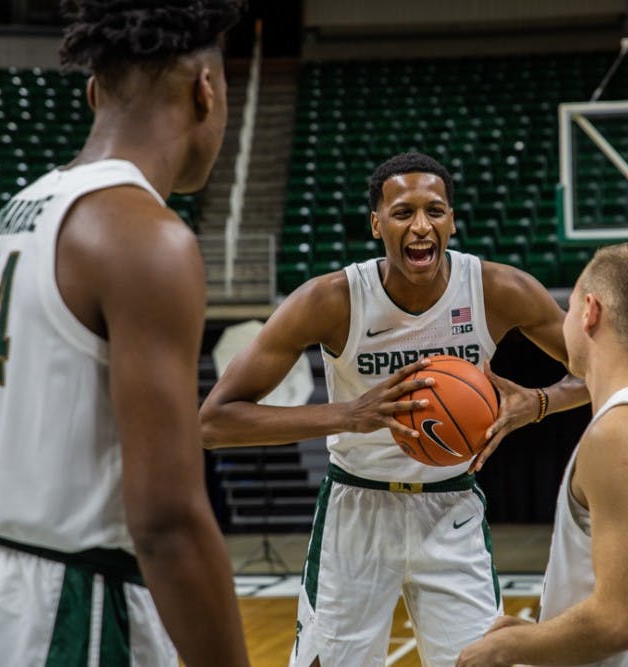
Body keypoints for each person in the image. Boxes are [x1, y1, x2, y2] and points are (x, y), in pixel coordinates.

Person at [0, 2, 249, 665]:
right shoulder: (144, 236)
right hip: (75, 609)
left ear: (94, 91)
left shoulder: (17, 212)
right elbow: (166, 518)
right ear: (206, 90)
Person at [199, 151, 587, 666]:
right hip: (355, 508)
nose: (421, 226)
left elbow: (599, 370)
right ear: (376, 223)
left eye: (436, 210)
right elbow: (214, 422)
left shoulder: (497, 289)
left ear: (452, 219)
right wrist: (347, 415)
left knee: (482, 660)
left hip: (450, 507)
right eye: (404, 213)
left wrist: (536, 403)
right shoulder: (332, 299)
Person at [457, 242, 628, 667]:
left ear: (590, 311)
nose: (565, 319)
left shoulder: (620, 435)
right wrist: (539, 636)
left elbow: (620, 623)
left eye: (569, 307)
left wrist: (504, 648)